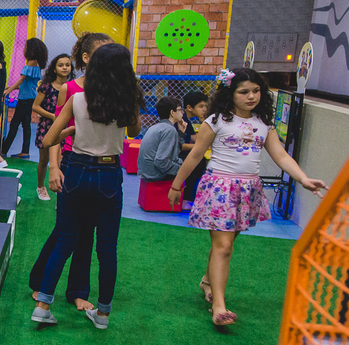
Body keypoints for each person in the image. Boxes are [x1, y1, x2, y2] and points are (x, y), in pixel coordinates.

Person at [168, 68, 326, 326]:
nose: (251, 96)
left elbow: (281, 156)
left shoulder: (263, 124)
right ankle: (219, 306)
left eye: (256, 91)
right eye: (243, 92)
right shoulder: (217, 121)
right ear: (230, 93)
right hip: (220, 189)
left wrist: (303, 179)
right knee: (224, 247)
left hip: (247, 191)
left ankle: (208, 282)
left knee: (225, 245)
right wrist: (177, 185)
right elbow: (195, 154)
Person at [33, 42, 141, 330]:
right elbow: (134, 131)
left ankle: (43, 306)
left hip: (78, 169)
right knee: (107, 249)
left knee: (65, 240)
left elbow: (48, 140)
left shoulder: (78, 98)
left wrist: (71, 130)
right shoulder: (127, 100)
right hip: (109, 173)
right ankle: (102, 314)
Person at [27, 32, 112, 310]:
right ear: (86, 58)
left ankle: (78, 290)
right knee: (65, 230)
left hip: (100, 168)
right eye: (102, 52)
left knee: (87, 231)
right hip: (70, 163)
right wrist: (54, 166)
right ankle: (40, 282)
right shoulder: (70, 89)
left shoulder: (112, 89)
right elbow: (57, 132)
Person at [31, 53, 73, 200]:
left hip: (65, 128)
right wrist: (52, 116)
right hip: (47, 127)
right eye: (61, 65)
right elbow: (35, 106)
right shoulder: (46, 87)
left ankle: (60, 193)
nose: (64, 68)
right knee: (44, 160)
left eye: (67, 65)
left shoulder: (71, 87)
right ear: (54, 69)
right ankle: (41, 187)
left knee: (62, 161)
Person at [1, 38, 48, 158]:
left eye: (26, 47)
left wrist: (9, 91)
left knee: (14, 123)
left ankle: (3, 150)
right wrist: (10, 87)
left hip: (25, 99)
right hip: (30, 97)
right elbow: (27, 84)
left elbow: (22, 79)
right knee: (26, 124)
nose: (24, 50)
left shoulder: (31, 63)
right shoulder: (37, 64)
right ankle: (25, 151)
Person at [137, 98, 185, 182]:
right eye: (180, 110)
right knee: (191, 168)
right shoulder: (169, 129)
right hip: (156, 174)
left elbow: (173, 154)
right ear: (172, 112)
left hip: (146, 172)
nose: (182, 112)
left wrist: (181, 133)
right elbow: (161, 161)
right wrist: (182, 169)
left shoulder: (155, 126)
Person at [180, 90, 210, 201]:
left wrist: (204, 123)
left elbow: (196, 139)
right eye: (201, 106)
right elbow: (178, 146)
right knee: (199, 162)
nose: (204, 109)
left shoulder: (187, 121)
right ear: (189, 107)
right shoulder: (181, 120)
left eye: (205, 106)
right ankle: (187, 197)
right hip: (175, 156)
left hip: (182, 153)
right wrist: (200, 147)